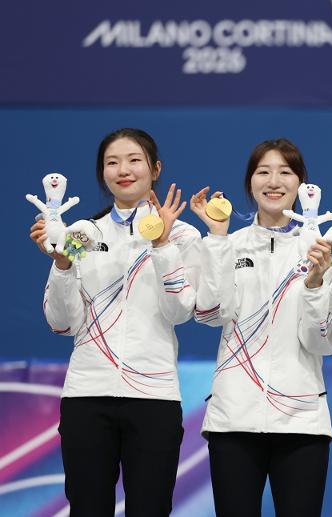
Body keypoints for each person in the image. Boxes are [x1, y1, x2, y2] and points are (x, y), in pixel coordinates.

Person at [29, 128, 201, 516]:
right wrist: (62, 264)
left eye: (134, 160)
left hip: (153, 397)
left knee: (150, 508)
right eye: (112, 162)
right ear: (102, 173)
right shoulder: (82, 236)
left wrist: (162, 246)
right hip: (87, 396)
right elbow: (62, 324)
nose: (123, 169)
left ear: (155, 169)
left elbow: (180, 312)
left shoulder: (184, 236)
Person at [189, 138, 332, 517]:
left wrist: (316, 283)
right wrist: (218, 240)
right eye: (264, 172)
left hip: (302, 421)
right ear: (250, 182)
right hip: (234, 419)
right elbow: (209, 314)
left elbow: (323, 343)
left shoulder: (322, 250)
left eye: (285, 172)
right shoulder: (228, 243)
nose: (274, 181)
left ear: (303, 184)